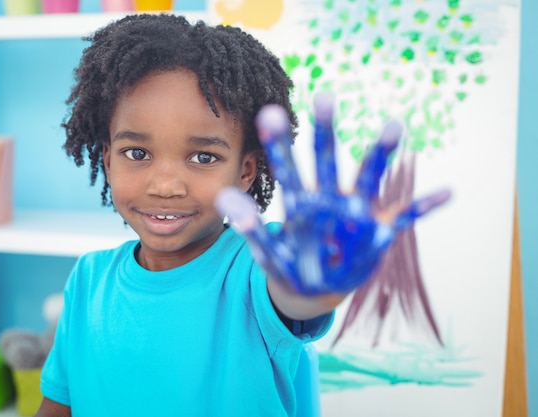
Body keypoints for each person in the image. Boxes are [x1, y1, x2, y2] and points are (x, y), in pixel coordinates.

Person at [35, 13, 448, 417]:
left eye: (202, 156)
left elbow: (294, 298)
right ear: (108, 160)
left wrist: (312, 281)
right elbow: (58, 405)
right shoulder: (88, 279)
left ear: (246, 171)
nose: (165, 185)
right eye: (137, 153)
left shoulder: (257, 267)